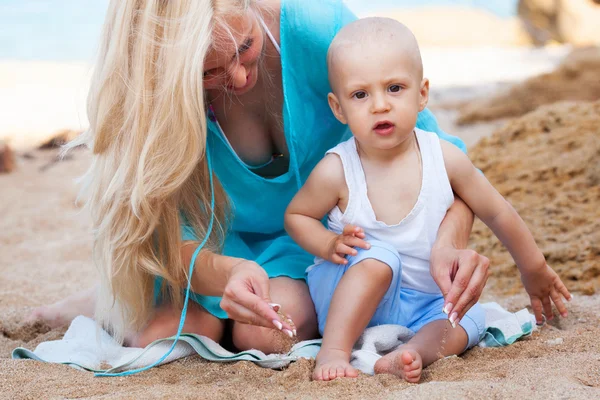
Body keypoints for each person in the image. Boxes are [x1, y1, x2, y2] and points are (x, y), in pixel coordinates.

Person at [28, 0, 490, 354]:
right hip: (212, 244)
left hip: (317, 239)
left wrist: (448, 243)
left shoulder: (317, 29)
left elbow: (448, 165)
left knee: (266, 337)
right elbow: (170, 235)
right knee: (169, 337)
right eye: (210, 71)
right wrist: (226, 273)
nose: (240, 78)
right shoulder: (155, 97)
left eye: (246, 48)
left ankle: (162, 303)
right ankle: (138, 296)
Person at [284, 17, 572, 382]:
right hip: (348, 296)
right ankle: (335, 351)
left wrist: (533, 268)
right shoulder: (338, 169)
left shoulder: (444, 157)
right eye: (360, 95)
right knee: (379, 258)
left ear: (422, 94)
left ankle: (411, 353)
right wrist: (328, 243)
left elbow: (497, 212)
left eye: (394, 88)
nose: (379, 106)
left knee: (469, 316)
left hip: (421, 303)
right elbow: (297, 215)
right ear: (338, 108)